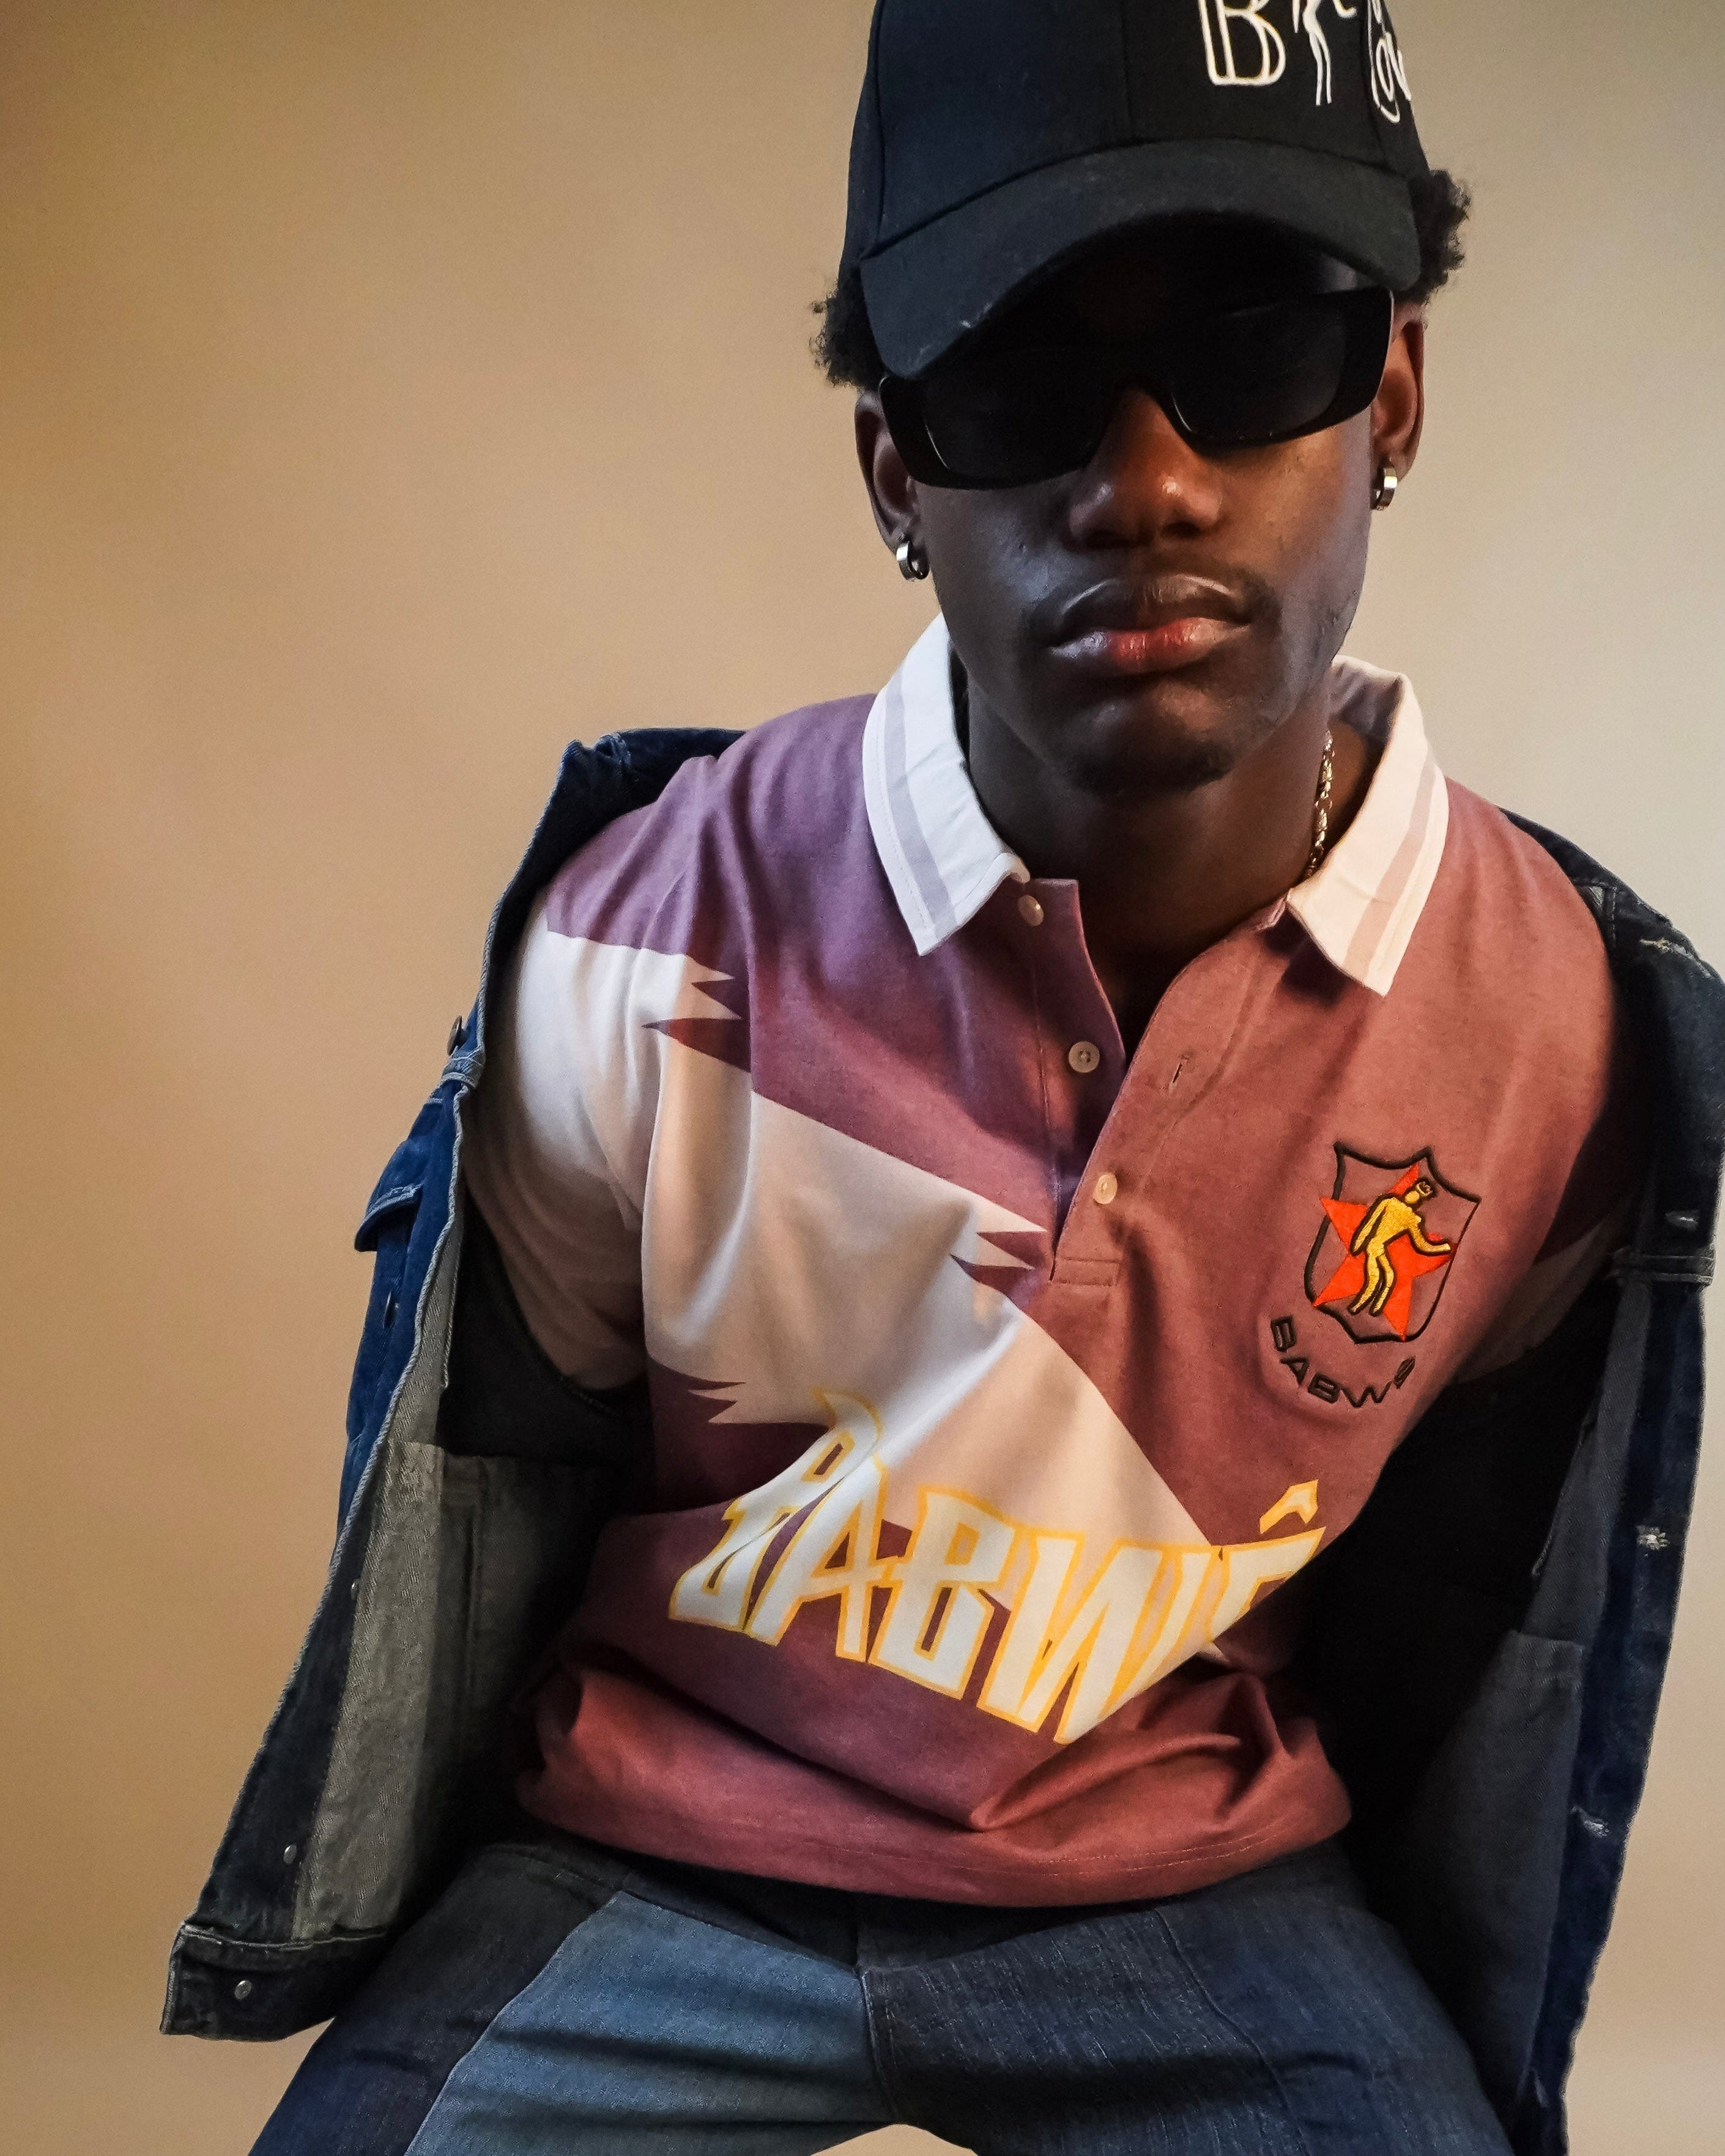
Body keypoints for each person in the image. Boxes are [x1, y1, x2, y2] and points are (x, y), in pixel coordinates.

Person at [166, 6, 1724, 2153]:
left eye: (1255, 345)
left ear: (1395, 394)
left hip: (1198, 1883)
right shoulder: (648, 939)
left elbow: (1445, 1609)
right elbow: (508, 1494)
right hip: (652, 1850)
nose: (1147, 479)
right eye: (1011, 374)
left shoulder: (1555, 1035)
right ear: (897, 469)